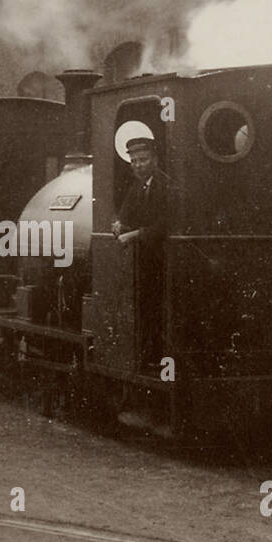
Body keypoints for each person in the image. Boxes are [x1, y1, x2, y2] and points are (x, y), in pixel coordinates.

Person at [111, 136, 168, 368]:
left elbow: (164, 225)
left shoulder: (165, 185)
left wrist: (133, 235)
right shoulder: (137, 187)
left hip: (163, 262)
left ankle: (155, 356)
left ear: (154, 159)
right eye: (134, 161)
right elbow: (126, 216)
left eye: (142, 159)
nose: (137, 165)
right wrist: (119, 225)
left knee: (156, 309)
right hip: (145, 261)